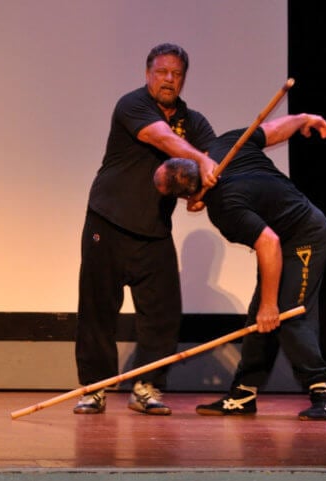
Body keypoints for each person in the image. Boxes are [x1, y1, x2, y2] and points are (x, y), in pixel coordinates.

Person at [153, 113, 326, 421]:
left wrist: (270, 304)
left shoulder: (224, 208)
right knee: (258, 319)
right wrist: (303, 119)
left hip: (305, 235)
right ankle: (244, 393)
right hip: (282, 240)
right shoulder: (225, 145)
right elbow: (275, 129)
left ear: (186, 196)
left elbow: (268, 244)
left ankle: (324, 394)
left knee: (286, 312)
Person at [73, 43, 219, 415]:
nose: (169, 80)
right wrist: (201, 160)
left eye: (176, 74)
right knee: (98, 307)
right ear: (147, 74)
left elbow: (215, 160)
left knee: (162, 313)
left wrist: (200, 193)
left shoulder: (195, 122)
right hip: (107, 220)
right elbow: (163, 140)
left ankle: (146, 385)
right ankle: (95, 388)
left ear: (184, 79)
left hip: (153, 229)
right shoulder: (132, 105)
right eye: (161, 72)